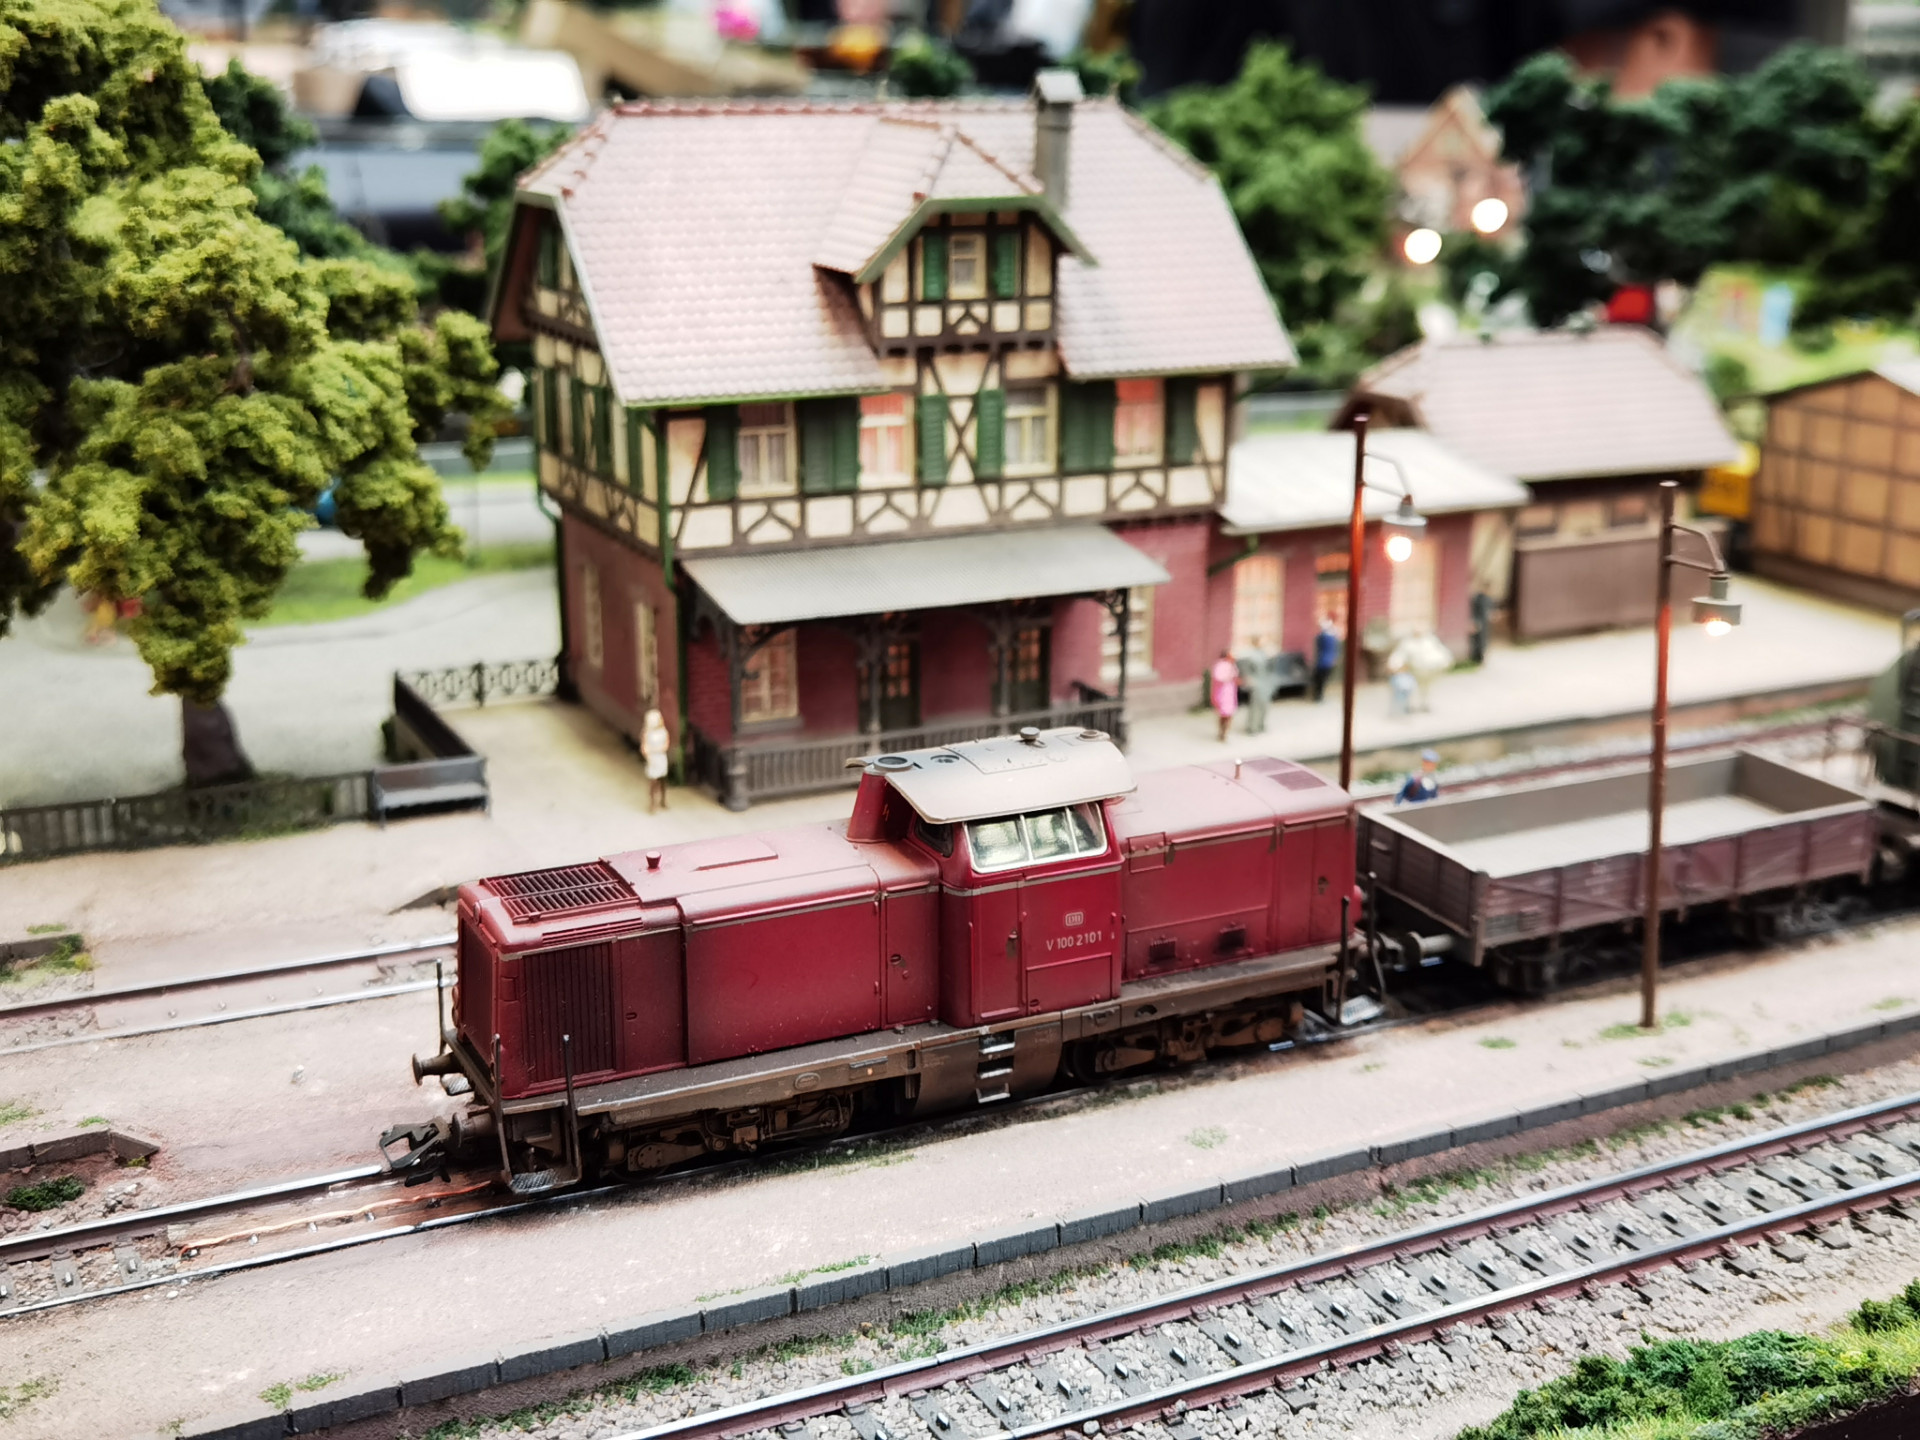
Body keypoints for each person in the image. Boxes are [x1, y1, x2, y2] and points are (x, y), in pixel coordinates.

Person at [640, 707, 672, 813]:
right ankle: (652, 803)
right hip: (652, 759)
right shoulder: (646, 733)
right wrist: (648, 754)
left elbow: (665, 745)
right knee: (653, 782)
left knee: (663, 780)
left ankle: (663, 800)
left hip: (660, 758)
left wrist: (653, 750)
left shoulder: (663, 732)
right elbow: (644, 747)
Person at [1241, 639, 1273, 735]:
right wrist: (1249, 679)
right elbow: (1245, 669)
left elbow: (1269, 668)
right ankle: (1252, 727)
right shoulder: (1250, 655)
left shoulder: (1264, 654)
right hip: (1256, 681)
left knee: (1264, 704)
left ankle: (1260, 724)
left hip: (1265, 681)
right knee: (1255, 705)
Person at [1209, 649, 1239, 741]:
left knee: (1229, 713)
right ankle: (1222, 731)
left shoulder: (1232, 665)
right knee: (1223, 713)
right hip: (1222, 692)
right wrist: (1229, 677)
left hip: (1230, 692)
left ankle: (1225, 731)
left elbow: (1235, 676)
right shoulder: (1220, 665)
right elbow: (1219, 677)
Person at [1311, 617, 1339, 703]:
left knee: (1319, 681)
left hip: (1322, 662)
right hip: (1329, 662)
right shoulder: (1333, 637)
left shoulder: (1323, 637)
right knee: (1322, 681)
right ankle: (1319, 696)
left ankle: (1318, 696)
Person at [1469, 590, 1495, 666]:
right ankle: (1476, 658)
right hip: (1479, 622)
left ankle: (1480, 658)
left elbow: (1490, 612)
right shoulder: (1478, 599)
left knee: (1483, 640)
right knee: (1478, 640)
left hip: (1484, 623)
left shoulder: (1488, 599)